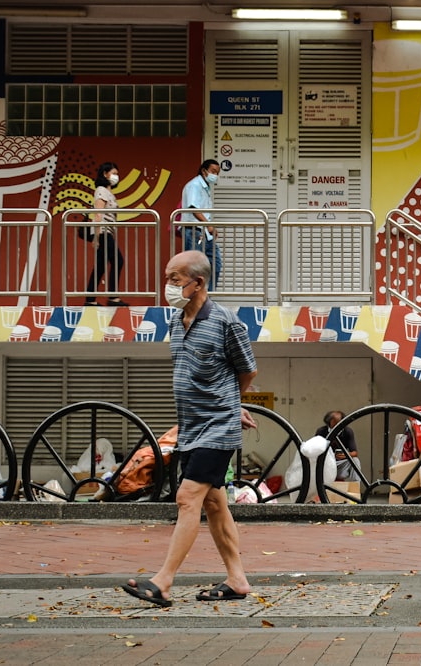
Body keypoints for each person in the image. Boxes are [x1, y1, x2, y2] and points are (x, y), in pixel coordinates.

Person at [122, 250, 257, 608]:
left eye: (175, 278)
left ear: (198, 283)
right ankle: (237, 579)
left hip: (217, 429)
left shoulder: (227, 323)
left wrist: (230, 405)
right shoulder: (175, 322)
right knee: (215, 503)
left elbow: (248, 371)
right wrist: (232, 403)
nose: (168, 285)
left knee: (187, 498)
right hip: (192, 428)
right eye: (167, 277)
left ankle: (162, 582)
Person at [85, 162, 129, 307]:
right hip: (102, 231)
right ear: (105, 173)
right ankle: (112, 297)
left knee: (100, 266)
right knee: (118, 260)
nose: (116, 176)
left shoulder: (108, 192)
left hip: (106, 231)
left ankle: (90, 299)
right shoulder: (101, 190)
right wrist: (97, 237)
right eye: (114, 173)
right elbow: (98, 213)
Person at [180, 159, 223, 290]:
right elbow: (194, 208)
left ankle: (207, 297)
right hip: (194, 231)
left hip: (204, 233)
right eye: (213, 171)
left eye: (217, 173)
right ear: (204, 171)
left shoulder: (205, 187)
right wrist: (208, 225)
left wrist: (210, 227)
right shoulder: (195, 185)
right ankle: (193, 298)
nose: (215, 175)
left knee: (215, 264)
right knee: (194, 268)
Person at [316, 410, 361, 481]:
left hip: (340, 464)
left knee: (355, 460)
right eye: (335, 422)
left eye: (340, 422)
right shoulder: (321, 431)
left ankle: (355, 485)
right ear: (329, 422)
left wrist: (346, 455)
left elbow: (355, 453)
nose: (338, 424)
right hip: (326, 464)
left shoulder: (347, 431)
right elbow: (315, 451)